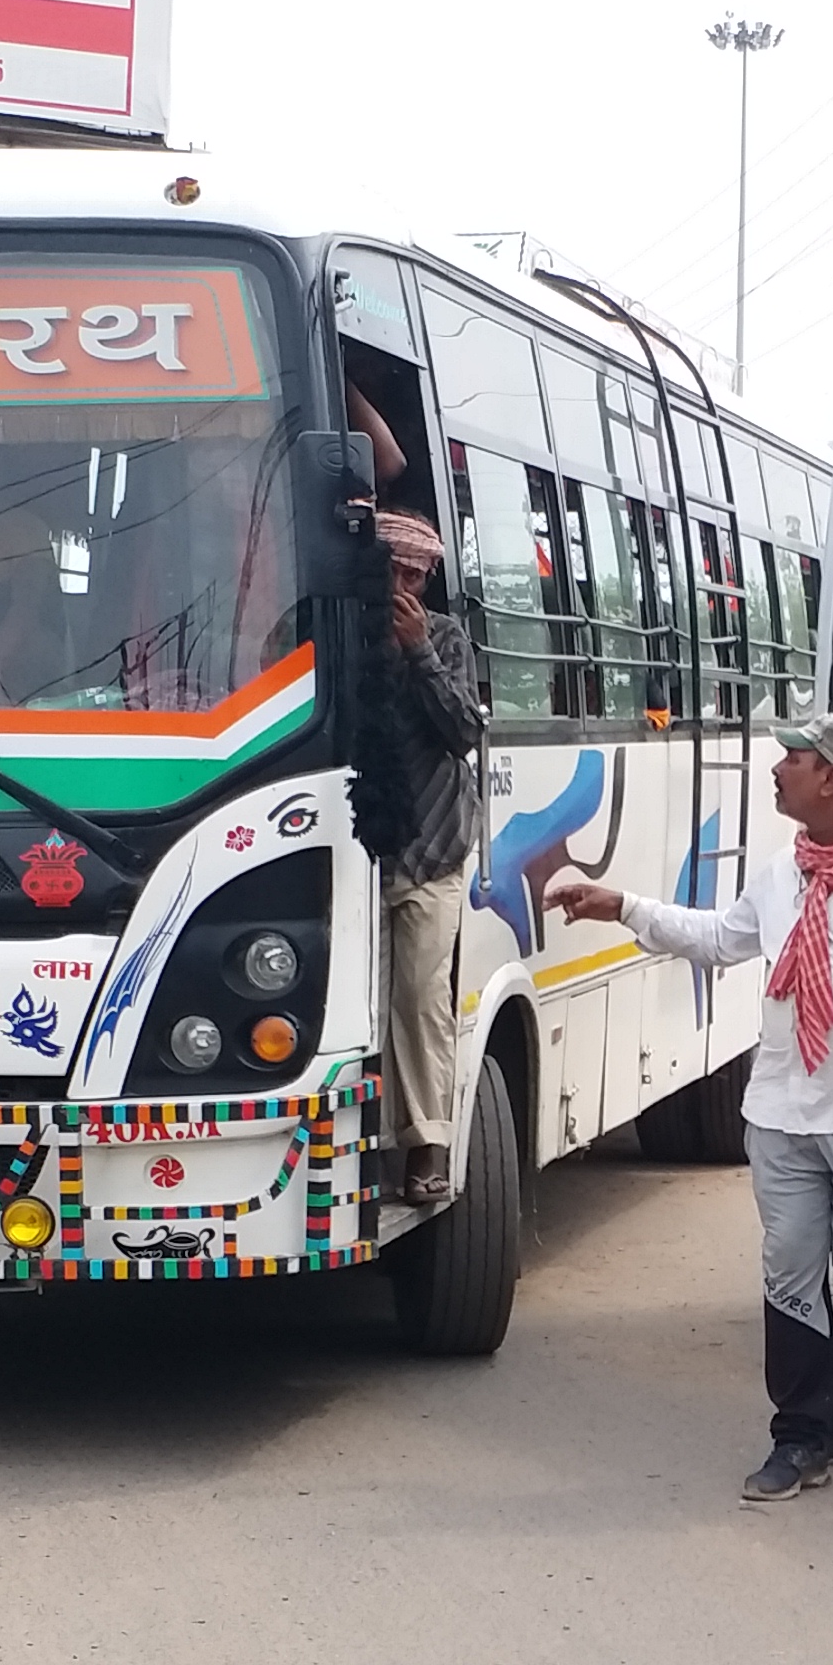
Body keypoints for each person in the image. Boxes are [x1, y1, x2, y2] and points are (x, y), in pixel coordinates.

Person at [546, 713, 833, 1501]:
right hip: (781, 1112)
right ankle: (799, 1433)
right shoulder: (784, 873)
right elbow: (721, 938)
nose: (778, 770)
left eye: (793, 759)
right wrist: (627, 907)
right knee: (791, 1271)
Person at [357, 505, 485, 1203]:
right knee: (362, 1006)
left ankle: (427, 1150)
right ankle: (363, 1147)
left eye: (417, 574)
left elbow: (465, 729)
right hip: (362, 854)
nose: (406, 584)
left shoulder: (445, 639)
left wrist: (420, 653)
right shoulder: (347, 636)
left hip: (434, 851)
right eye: (395, 571)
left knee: (420, 1000)